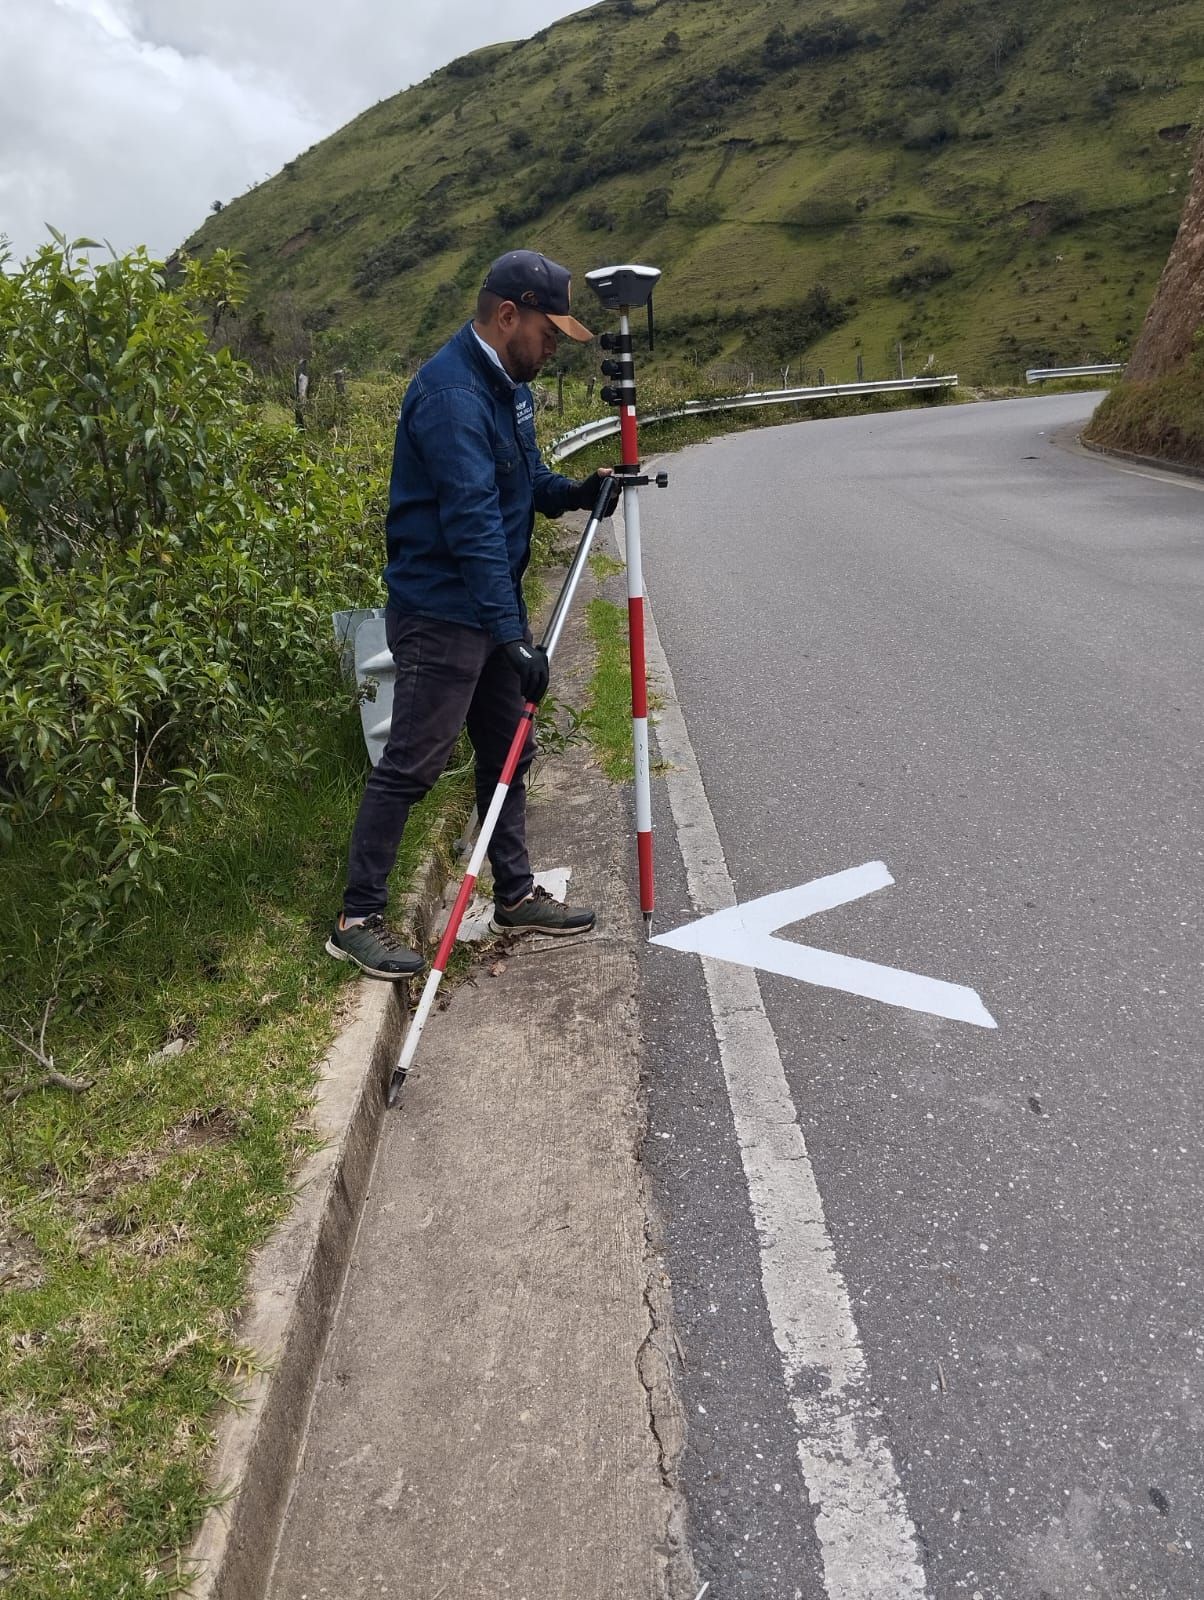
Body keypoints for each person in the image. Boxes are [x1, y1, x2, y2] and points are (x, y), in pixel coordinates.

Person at [326, 249, 620, 980]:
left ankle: (516, 893)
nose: (553, 349)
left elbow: (525, 481)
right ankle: (356, 919)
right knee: (413, 765)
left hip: (487, 611)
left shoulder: (510, 387)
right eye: (548, 333)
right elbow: (473, 525)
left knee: (508, 750)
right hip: (440, 614)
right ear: (507, 315)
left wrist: (578, 491)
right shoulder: (452, 395)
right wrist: (513, 636)